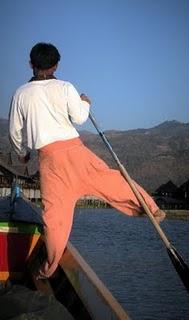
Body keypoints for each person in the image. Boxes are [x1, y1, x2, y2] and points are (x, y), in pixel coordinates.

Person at [9, 42, 165, 279]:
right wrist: (85, 101)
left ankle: (47, 268)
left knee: (54, 218)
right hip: (76, 152)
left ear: (31, 64)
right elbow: (81, 117)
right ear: (56, 65)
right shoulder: (65, 87)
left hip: (50, 162)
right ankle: (151, 207)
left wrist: (22, 153)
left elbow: (15, 132)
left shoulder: (21, 93)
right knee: (112, 181)